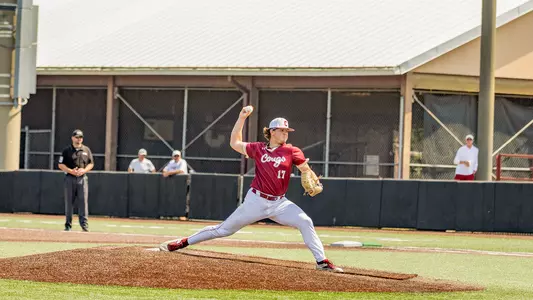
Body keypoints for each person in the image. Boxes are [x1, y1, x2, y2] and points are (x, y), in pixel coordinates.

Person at [159, 106, 343, 273]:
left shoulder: (292, 151)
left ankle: (322, 262)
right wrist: (241, 118)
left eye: (287, 130)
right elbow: (234, 143)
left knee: (305, 221)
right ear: (272, 132)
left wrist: (310, 175)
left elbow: (304, 169)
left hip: (280, 203)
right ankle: (182, 242)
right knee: (223, 230)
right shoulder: (258, 149)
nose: (286, 133)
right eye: (282, 130)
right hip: (256, 201)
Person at [57, 129, 94, 231]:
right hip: (70, 178)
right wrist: (70, 171)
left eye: (81, 137)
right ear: (72, 138)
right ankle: (68, 225)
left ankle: (84, 225)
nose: (79, 139)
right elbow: (60, 164)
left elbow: (91, 163)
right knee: (69, 202)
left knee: (83, 202)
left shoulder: (86, 150)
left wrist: (84, 170)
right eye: (77, 137)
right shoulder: (67, 150)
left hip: (82, 178)